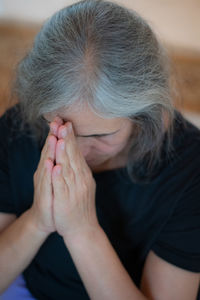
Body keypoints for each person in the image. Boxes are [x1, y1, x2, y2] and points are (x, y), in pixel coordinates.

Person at [0, 0, 199, 299]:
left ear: (146, 114)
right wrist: (38, 219)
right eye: (55, 128)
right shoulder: (17, 128)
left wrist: (82, 230)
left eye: (99, 135)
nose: (74, 151)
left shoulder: (190, 171)